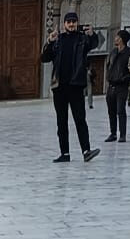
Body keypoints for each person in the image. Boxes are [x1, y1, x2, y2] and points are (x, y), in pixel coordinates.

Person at [40, 11, 99, 164]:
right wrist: (49, 41)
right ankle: (64, 153)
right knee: (62, 121)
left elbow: (94, 44)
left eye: (74, 21)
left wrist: (92, 35)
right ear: (64, 24)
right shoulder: (58, 41)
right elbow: (44, 58)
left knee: (80, 119)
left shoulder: (82, 39)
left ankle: (86, 151)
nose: (71, 24)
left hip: (76, 85)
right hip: (59, 87)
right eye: (69, 21)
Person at [104, 30, 130, 142]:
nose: (115, 38)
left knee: (120, 110)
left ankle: (122, 134)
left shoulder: (129, 53)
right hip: (111, 85)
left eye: (117, 37)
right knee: (111, 110)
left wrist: (124, 79)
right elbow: (108, 65)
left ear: (122, 39)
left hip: (122, 86)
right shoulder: (113, 52)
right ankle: (113, 133)